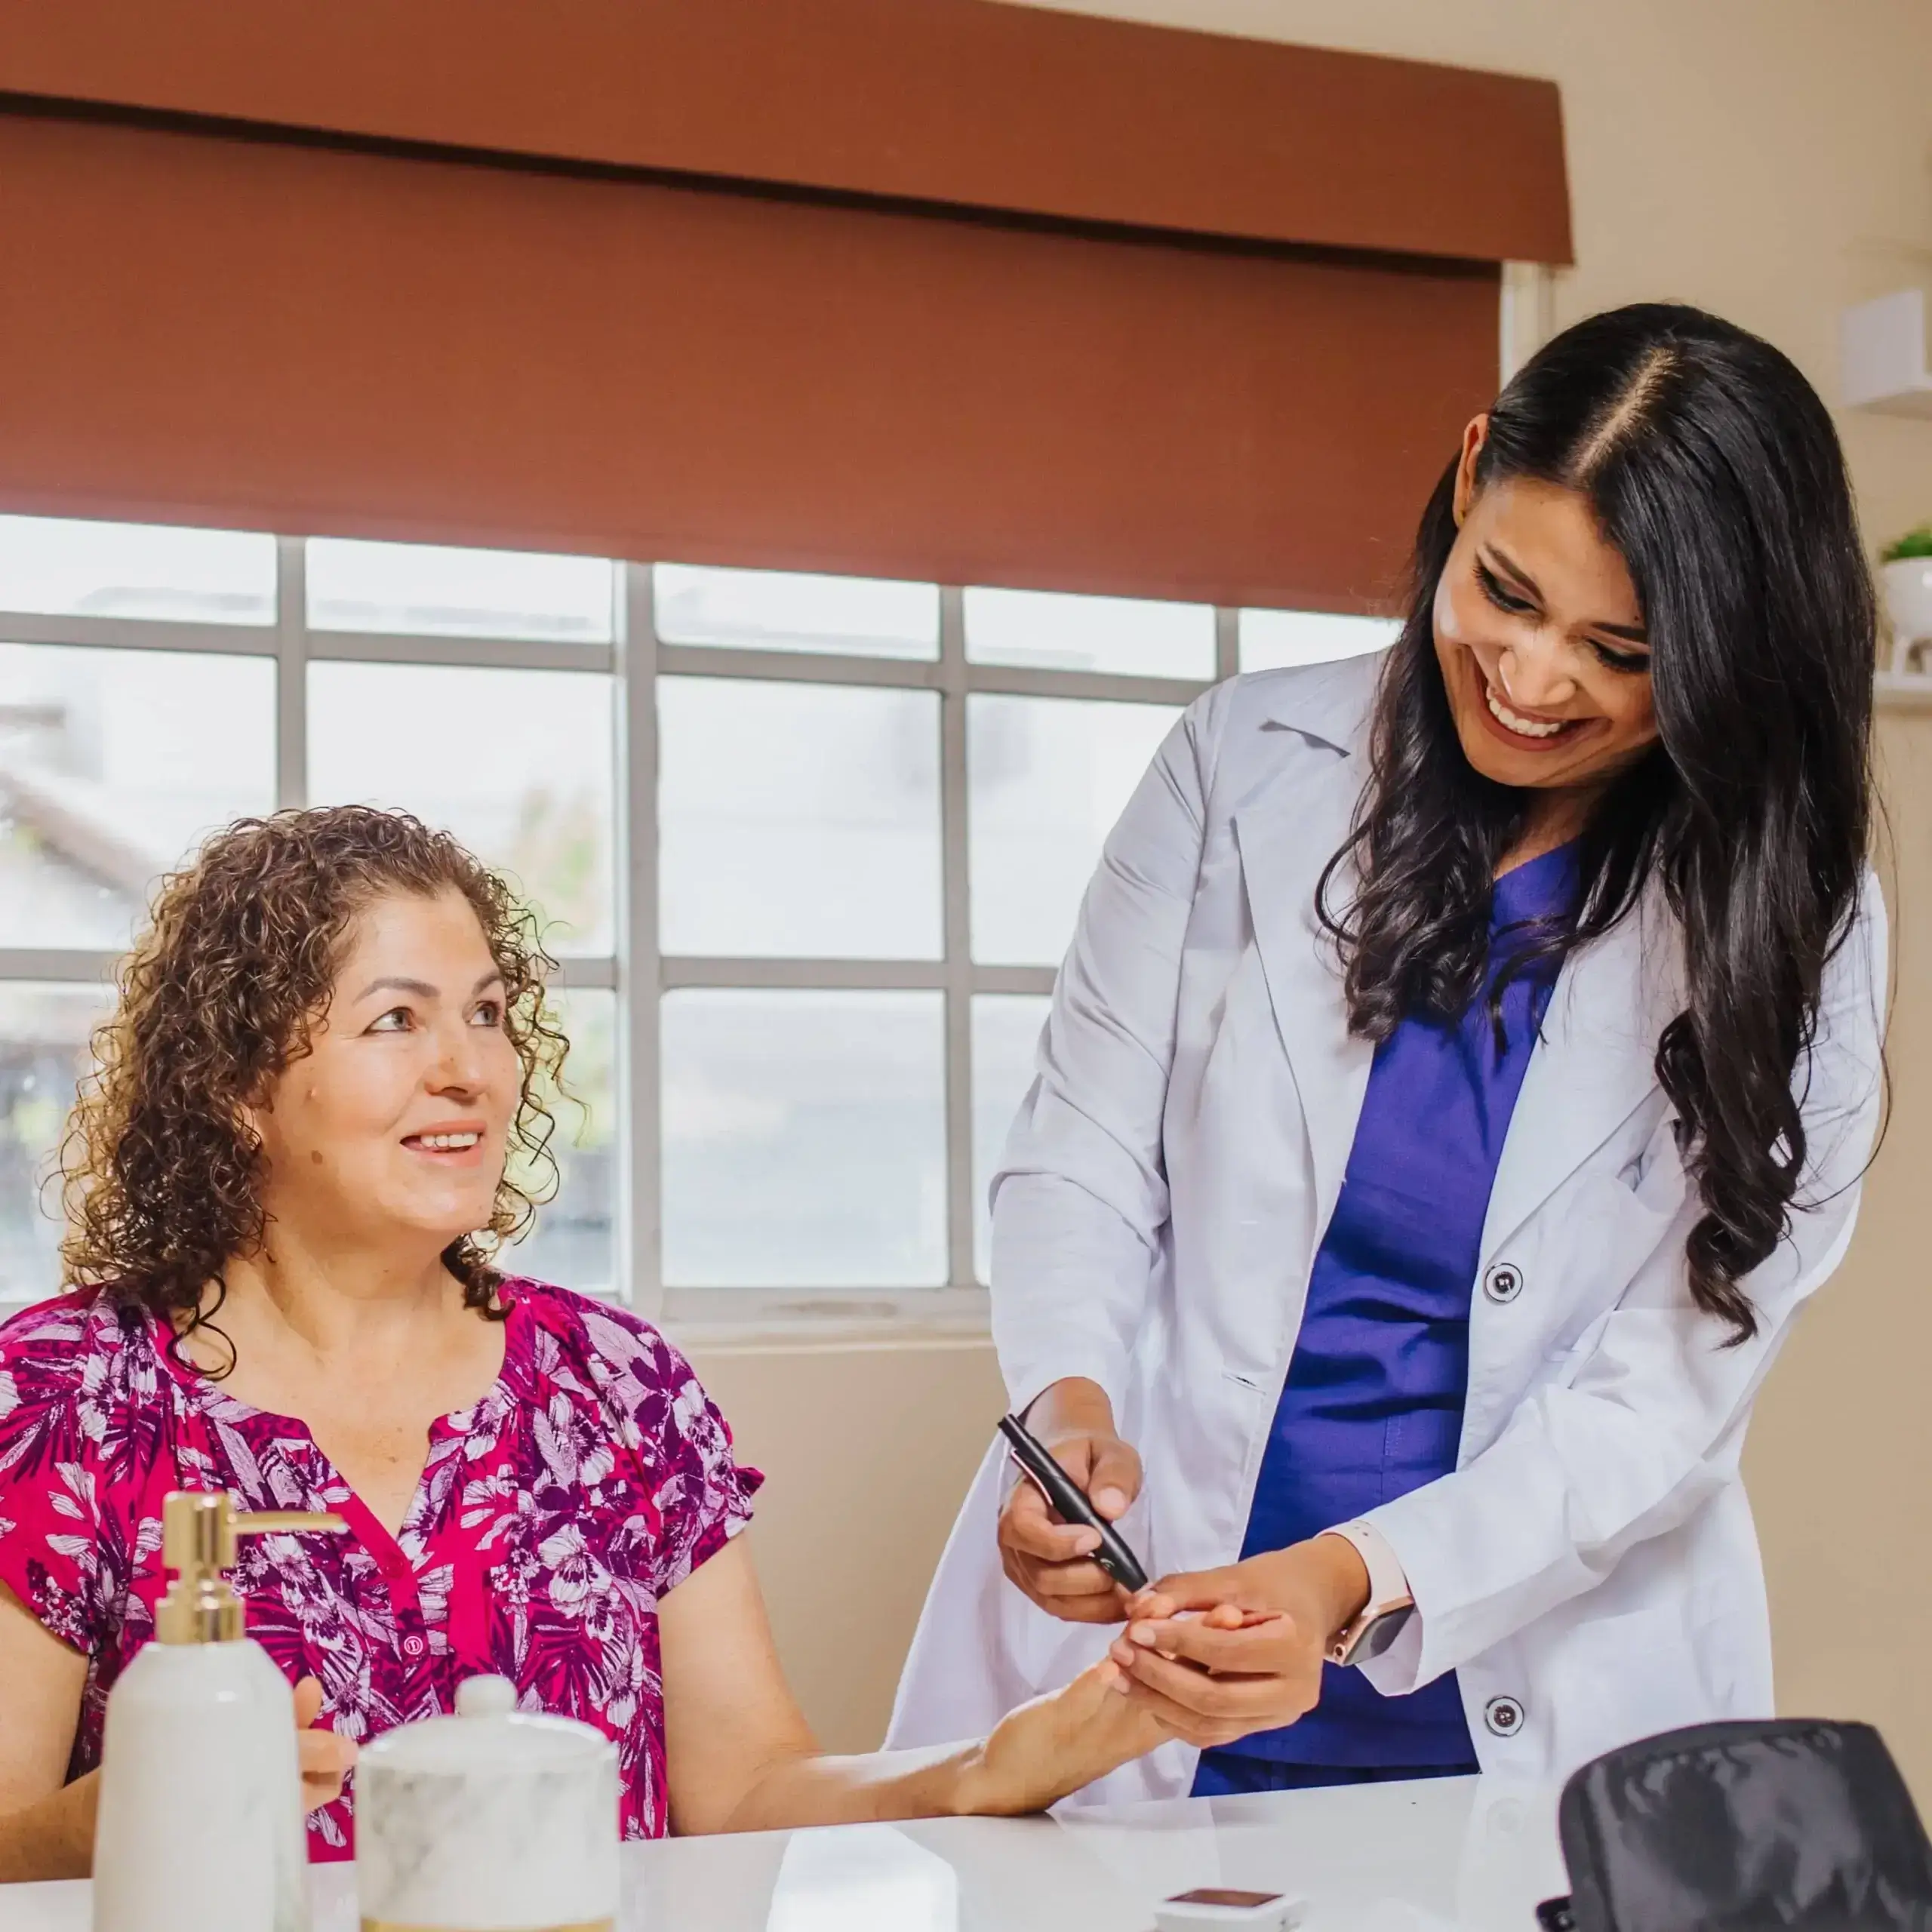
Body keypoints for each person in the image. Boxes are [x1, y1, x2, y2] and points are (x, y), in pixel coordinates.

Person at [888, 303, 1887, 1804]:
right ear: (1470, 464)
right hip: (1151, 1665)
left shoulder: (1795, 919)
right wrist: (1069, 1412)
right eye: (1503, 589)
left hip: (1537, 1690)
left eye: (1619, 653)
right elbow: (1079, 1153)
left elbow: (1665, 1387)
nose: (1534, 679)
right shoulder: (1241, 765)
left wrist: (1344, 1579)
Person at [0, 806, 1168, 1881]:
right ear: (238, 1085)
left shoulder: (615, 1386)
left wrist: (985, 1769)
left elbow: (747, 1792)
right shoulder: (67, 1396)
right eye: (395, 1019)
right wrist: (113, 1820)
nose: (468, 1070)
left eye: (489, 1013)